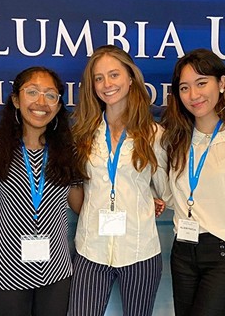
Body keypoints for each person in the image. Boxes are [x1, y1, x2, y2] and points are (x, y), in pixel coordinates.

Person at [68, 46, 169, 316]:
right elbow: (76, 189)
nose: (106, 84)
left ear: (131, 78)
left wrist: (153, 200)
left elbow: (166, 190)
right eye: (98, 78)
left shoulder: (153, 134)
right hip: (91, 250)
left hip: (139, 251)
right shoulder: (82, 133)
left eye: (114, 75)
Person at [160, 49, 225, 316]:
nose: (193, 95)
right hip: (182, 251)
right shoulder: (174, 140)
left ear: (222, 83)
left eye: (201, 83)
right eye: (184, 87)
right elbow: (171, 196)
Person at [0, 67, 86, 316]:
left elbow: (79, 205)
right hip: (6, 272)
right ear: (16, 100)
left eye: (50, 95)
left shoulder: (66, 152)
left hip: (57, 272)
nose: (41, 102)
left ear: (59, 106)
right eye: (32, 92)